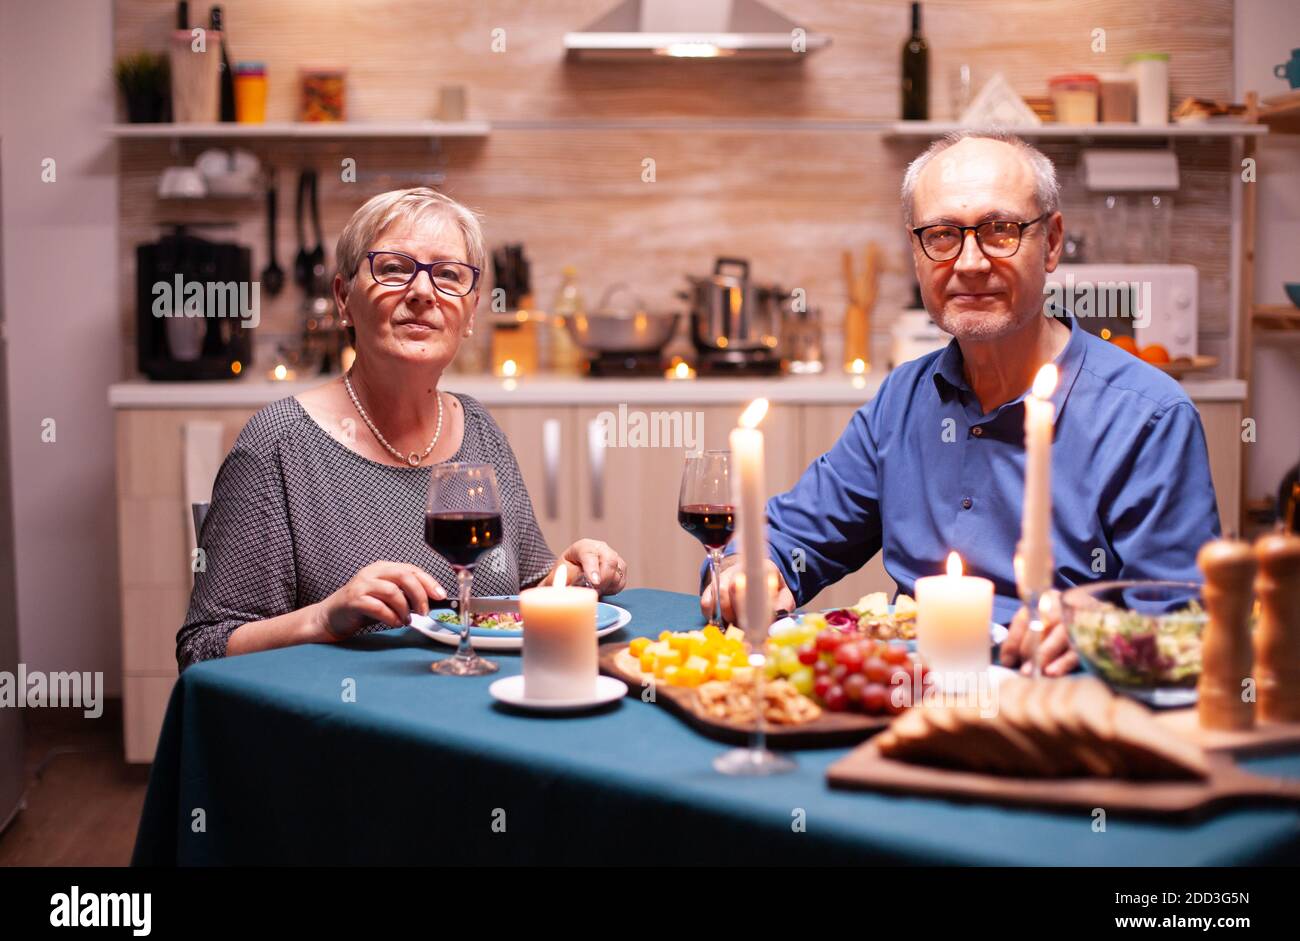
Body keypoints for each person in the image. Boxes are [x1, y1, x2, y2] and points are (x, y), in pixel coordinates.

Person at [702, 132, 1220, 676]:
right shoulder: (901, 400)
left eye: (1001, 230)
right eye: (944, 235)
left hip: (1058, 712)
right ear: (917, 253)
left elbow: (1188, 626)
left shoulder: (1149, 417)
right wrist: (750, 570)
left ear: (1052, 241)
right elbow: (791, 538)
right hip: (902, 699)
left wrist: (1100, 631)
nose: (970, 263)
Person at [177, 188, 626, 669]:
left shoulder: (479, 429)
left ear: (471, 313)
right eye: (393, 268)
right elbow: (203, 649)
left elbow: (520, 596)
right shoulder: (278, 444)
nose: (422, 292)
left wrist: (573, 575)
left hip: (482, 712)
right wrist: (324, 619)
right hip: (342, 729)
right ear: (343, 298)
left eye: (449, 275)